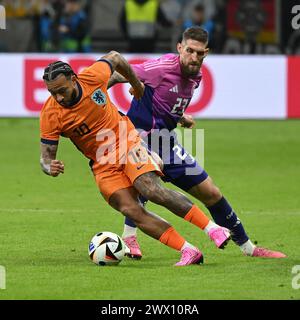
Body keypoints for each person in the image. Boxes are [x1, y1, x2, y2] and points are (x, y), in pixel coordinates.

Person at [107, 26, 287, 260]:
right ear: (179, 48)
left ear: (206, 53)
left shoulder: (196, 75)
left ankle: (249, 249)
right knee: (147, 183)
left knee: (211, 193)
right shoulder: (162, 67)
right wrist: (96, 91)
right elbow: (123, 72)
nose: (194, 57)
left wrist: (180, 116)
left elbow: (164, 101)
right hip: (137, 139)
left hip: (166, 142)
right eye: (189, 51)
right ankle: (130, 238)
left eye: (199, 53)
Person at [39, 51, 231, 267]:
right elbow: (46, 157)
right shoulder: (50, 113)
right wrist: (49, 166)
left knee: (150, 189)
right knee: (131, 210)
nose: (59, 98)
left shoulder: (93, 76)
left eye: (62, 91)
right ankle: (188, 250)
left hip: (126, 140)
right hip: (101, 163)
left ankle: (213, 228)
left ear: (74, 79)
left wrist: (135, 83)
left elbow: (116, 57)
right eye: (52, 93)